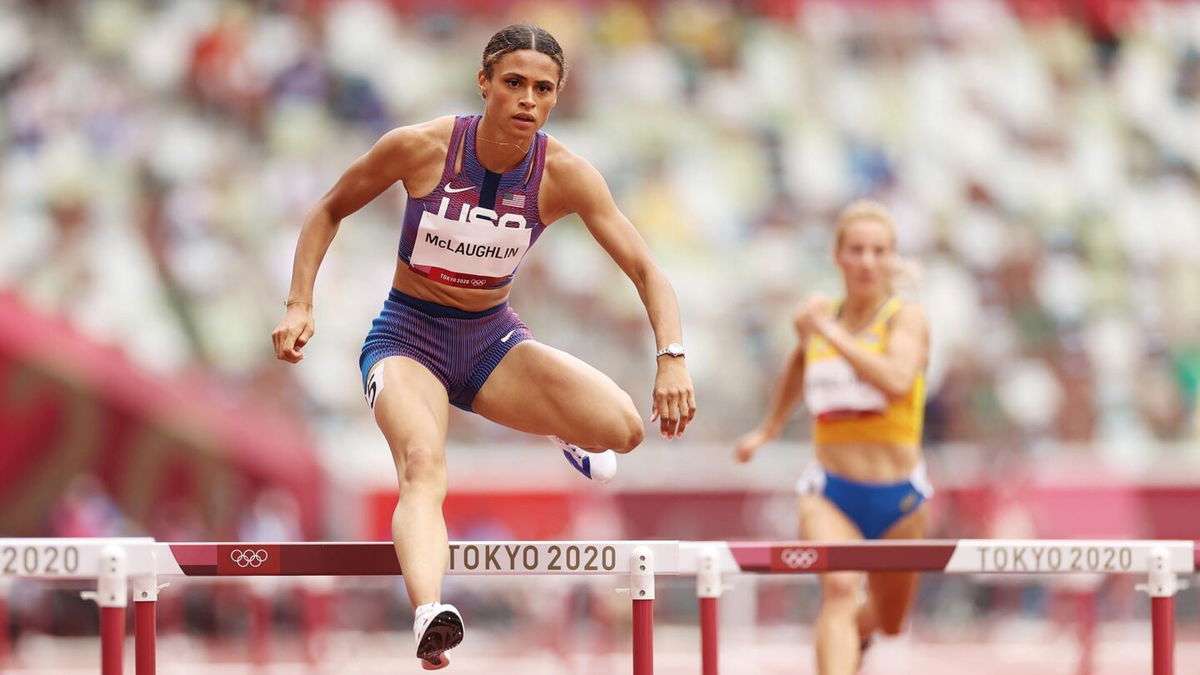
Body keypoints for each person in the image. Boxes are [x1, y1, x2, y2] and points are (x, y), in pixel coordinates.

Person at [271, 23, 696, 669]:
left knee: (624, 429)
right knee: (422, 464)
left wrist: (672, 357)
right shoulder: (421, 148)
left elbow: (646, 270)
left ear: (557, 97)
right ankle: (429, 612)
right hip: (408, 337)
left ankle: (564, 428)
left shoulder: (565, 175)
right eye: (515, 83)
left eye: (543, 88)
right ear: (485, 83)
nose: (528, 98)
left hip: (491, 339)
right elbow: (329, 208)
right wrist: (300, 302)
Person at [735, 200, 930, 675]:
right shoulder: (819, 320)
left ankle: (854, 642)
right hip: (832, 492)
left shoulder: (904, 318)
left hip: (900, 498)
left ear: (891, 259)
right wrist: (770, 427)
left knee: (889, 622)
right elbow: (799, 364)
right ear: (838, 256)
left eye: (879, 251)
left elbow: (896, 380)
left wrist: (828, 331)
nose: (867, 262)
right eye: (857, 250)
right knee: (840, 592)